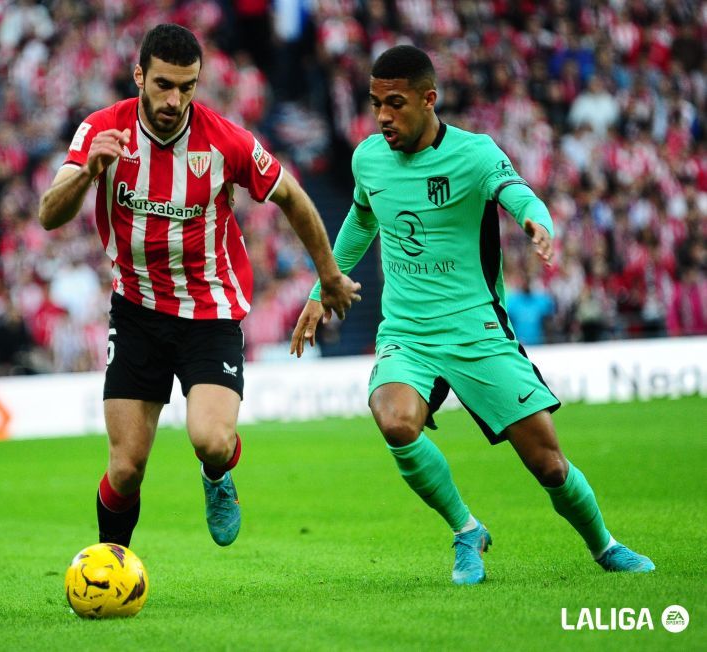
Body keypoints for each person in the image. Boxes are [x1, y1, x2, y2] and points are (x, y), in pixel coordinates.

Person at [290, 45, 653, 584]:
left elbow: (519, 193)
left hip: (477, 329)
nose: (383, 116)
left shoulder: (475, 154)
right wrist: (324, 286)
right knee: (394, 420)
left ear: (428, 99)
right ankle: (466, 530)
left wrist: (538, 223)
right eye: (375, 103)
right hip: (407, 332)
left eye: (395, 103)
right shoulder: (367, 158)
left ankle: (605, 545)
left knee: (548, 463)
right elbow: (362, 220)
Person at [39, 24, 360, 549]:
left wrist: (328, 275)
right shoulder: (102, 129)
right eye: (163, 85)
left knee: (212, 441)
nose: (174, 100)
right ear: (139, 76)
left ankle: (217, 475)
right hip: (137, 310)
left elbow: (293, 196)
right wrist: (86, 171)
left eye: (186, 87)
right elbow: (49, 214)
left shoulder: (225, 140)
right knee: (125, 468)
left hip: (209, 312)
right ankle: (111, 563)